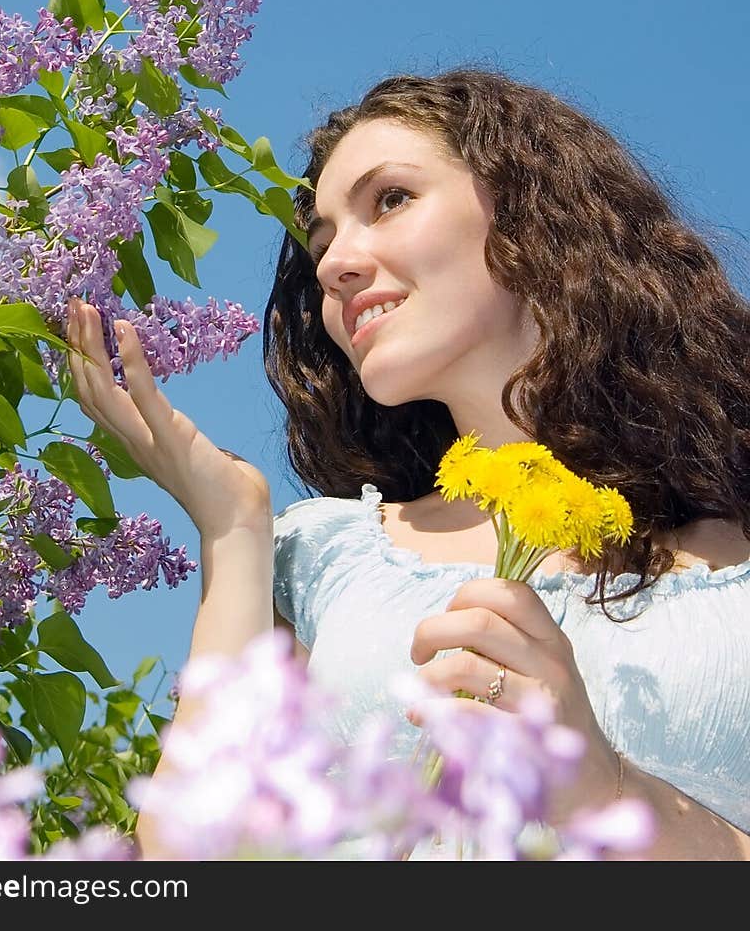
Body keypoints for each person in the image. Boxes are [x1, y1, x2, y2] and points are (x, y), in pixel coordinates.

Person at [65, 68, 750, 860]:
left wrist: (604, 790)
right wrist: (233, 533)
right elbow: (195, 858)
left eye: (389, 199)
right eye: (320, 244)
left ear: (536, 206)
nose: (333, 265)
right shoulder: (322, 556)